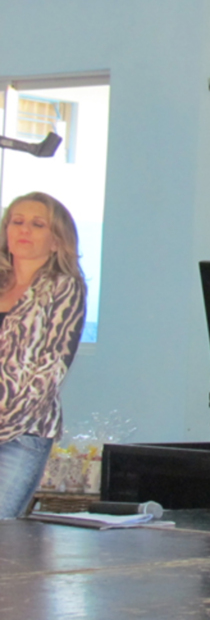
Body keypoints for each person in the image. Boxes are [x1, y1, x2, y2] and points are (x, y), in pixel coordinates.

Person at [0, 192, 86, 519]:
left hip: (22, 433)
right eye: (17, 221)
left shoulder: (65, 287)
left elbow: (50, 370)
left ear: (55, 241)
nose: (24, 230)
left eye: (37, 225)